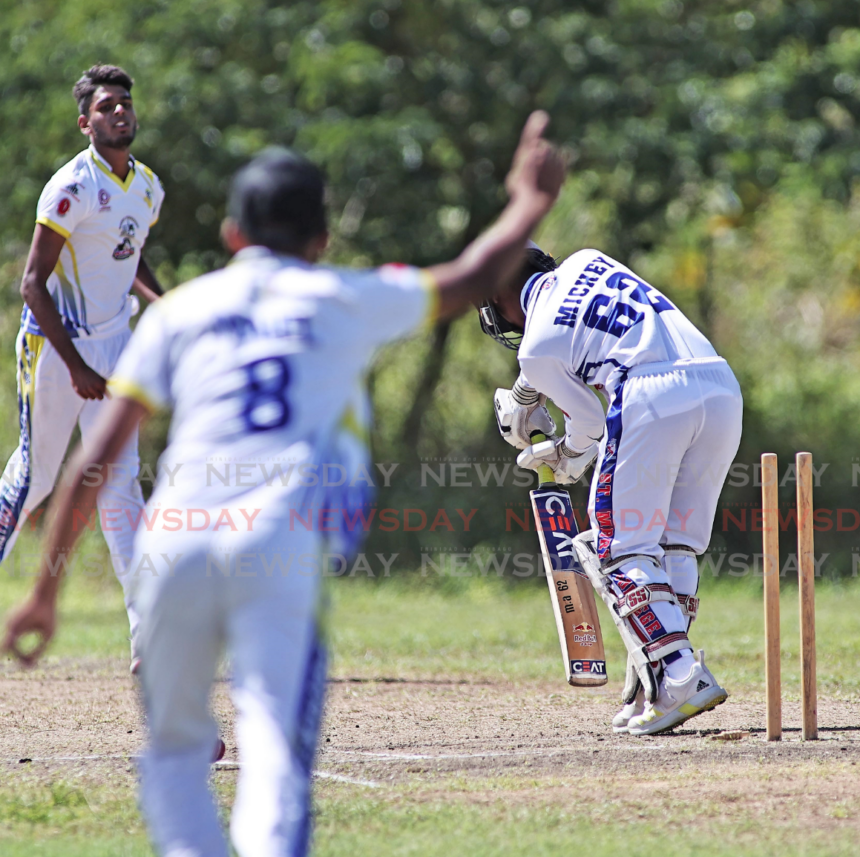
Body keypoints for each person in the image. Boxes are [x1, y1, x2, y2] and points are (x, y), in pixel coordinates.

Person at [2, 112, 564, 857]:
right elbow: (467, 278)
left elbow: (94, 458)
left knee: (175, 759)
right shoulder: (341, 297)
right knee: (271, 756)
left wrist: (44, 590)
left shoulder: (183, 311)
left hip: (171, 547)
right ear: (322, 240)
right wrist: (529, 200)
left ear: (234, 235)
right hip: (278, 545)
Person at [481, 245, 742, 735]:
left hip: (653, 394)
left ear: (499, 290)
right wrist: (529, 394)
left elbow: (590, 423)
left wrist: (560, 454)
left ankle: (682, 676)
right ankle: (655, 683)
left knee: (617, 547)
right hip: (720, 385)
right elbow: (572, 341)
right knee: (674, 545)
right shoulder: (586, 260)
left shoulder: (533, 350)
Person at [0, 64, 165, 672]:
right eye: (105, 107)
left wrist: (164, 305)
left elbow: (129, 253)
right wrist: (75, 366)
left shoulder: (146, 186)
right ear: (85, 123)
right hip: (54, 348)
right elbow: (32, 284)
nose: (118, 112)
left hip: (115, 347)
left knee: (123, 490)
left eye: (124, 103)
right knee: (37, 479)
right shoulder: (70, 187)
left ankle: (150, 645)